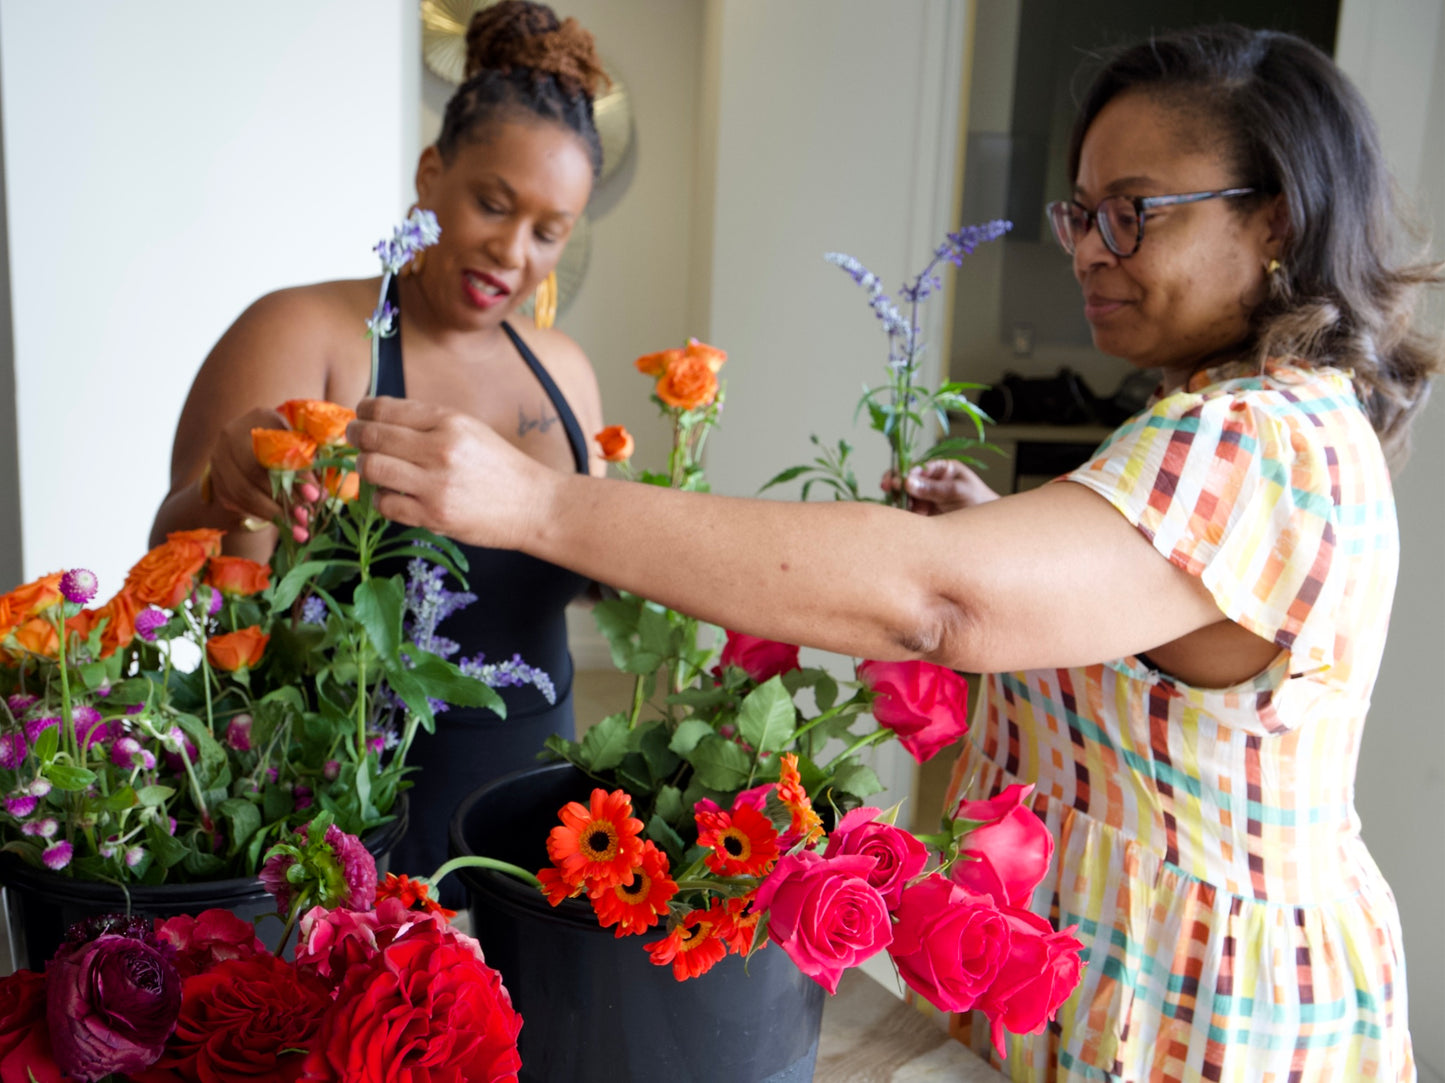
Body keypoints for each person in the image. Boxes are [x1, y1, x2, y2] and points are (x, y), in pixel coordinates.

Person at [348, 23, 1438, 1082]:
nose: (1088, 251)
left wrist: (540, 504)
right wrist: (995, 520)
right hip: (1120, 975)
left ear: (1276, 221)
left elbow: (940, 604)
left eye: (1133, 213)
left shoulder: (1251, 437)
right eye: (1081, 212)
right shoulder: (1237, 421)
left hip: (1201, 1011)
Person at [150, 1, 610, 906]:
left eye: (549, 231)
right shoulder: (304, 331)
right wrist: (228, 486)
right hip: (344, 826)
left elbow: (581, 570)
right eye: (491, 202)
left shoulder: (564, 369)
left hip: (532, 825)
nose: (513, 252)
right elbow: (176, 560)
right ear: (431, 173)